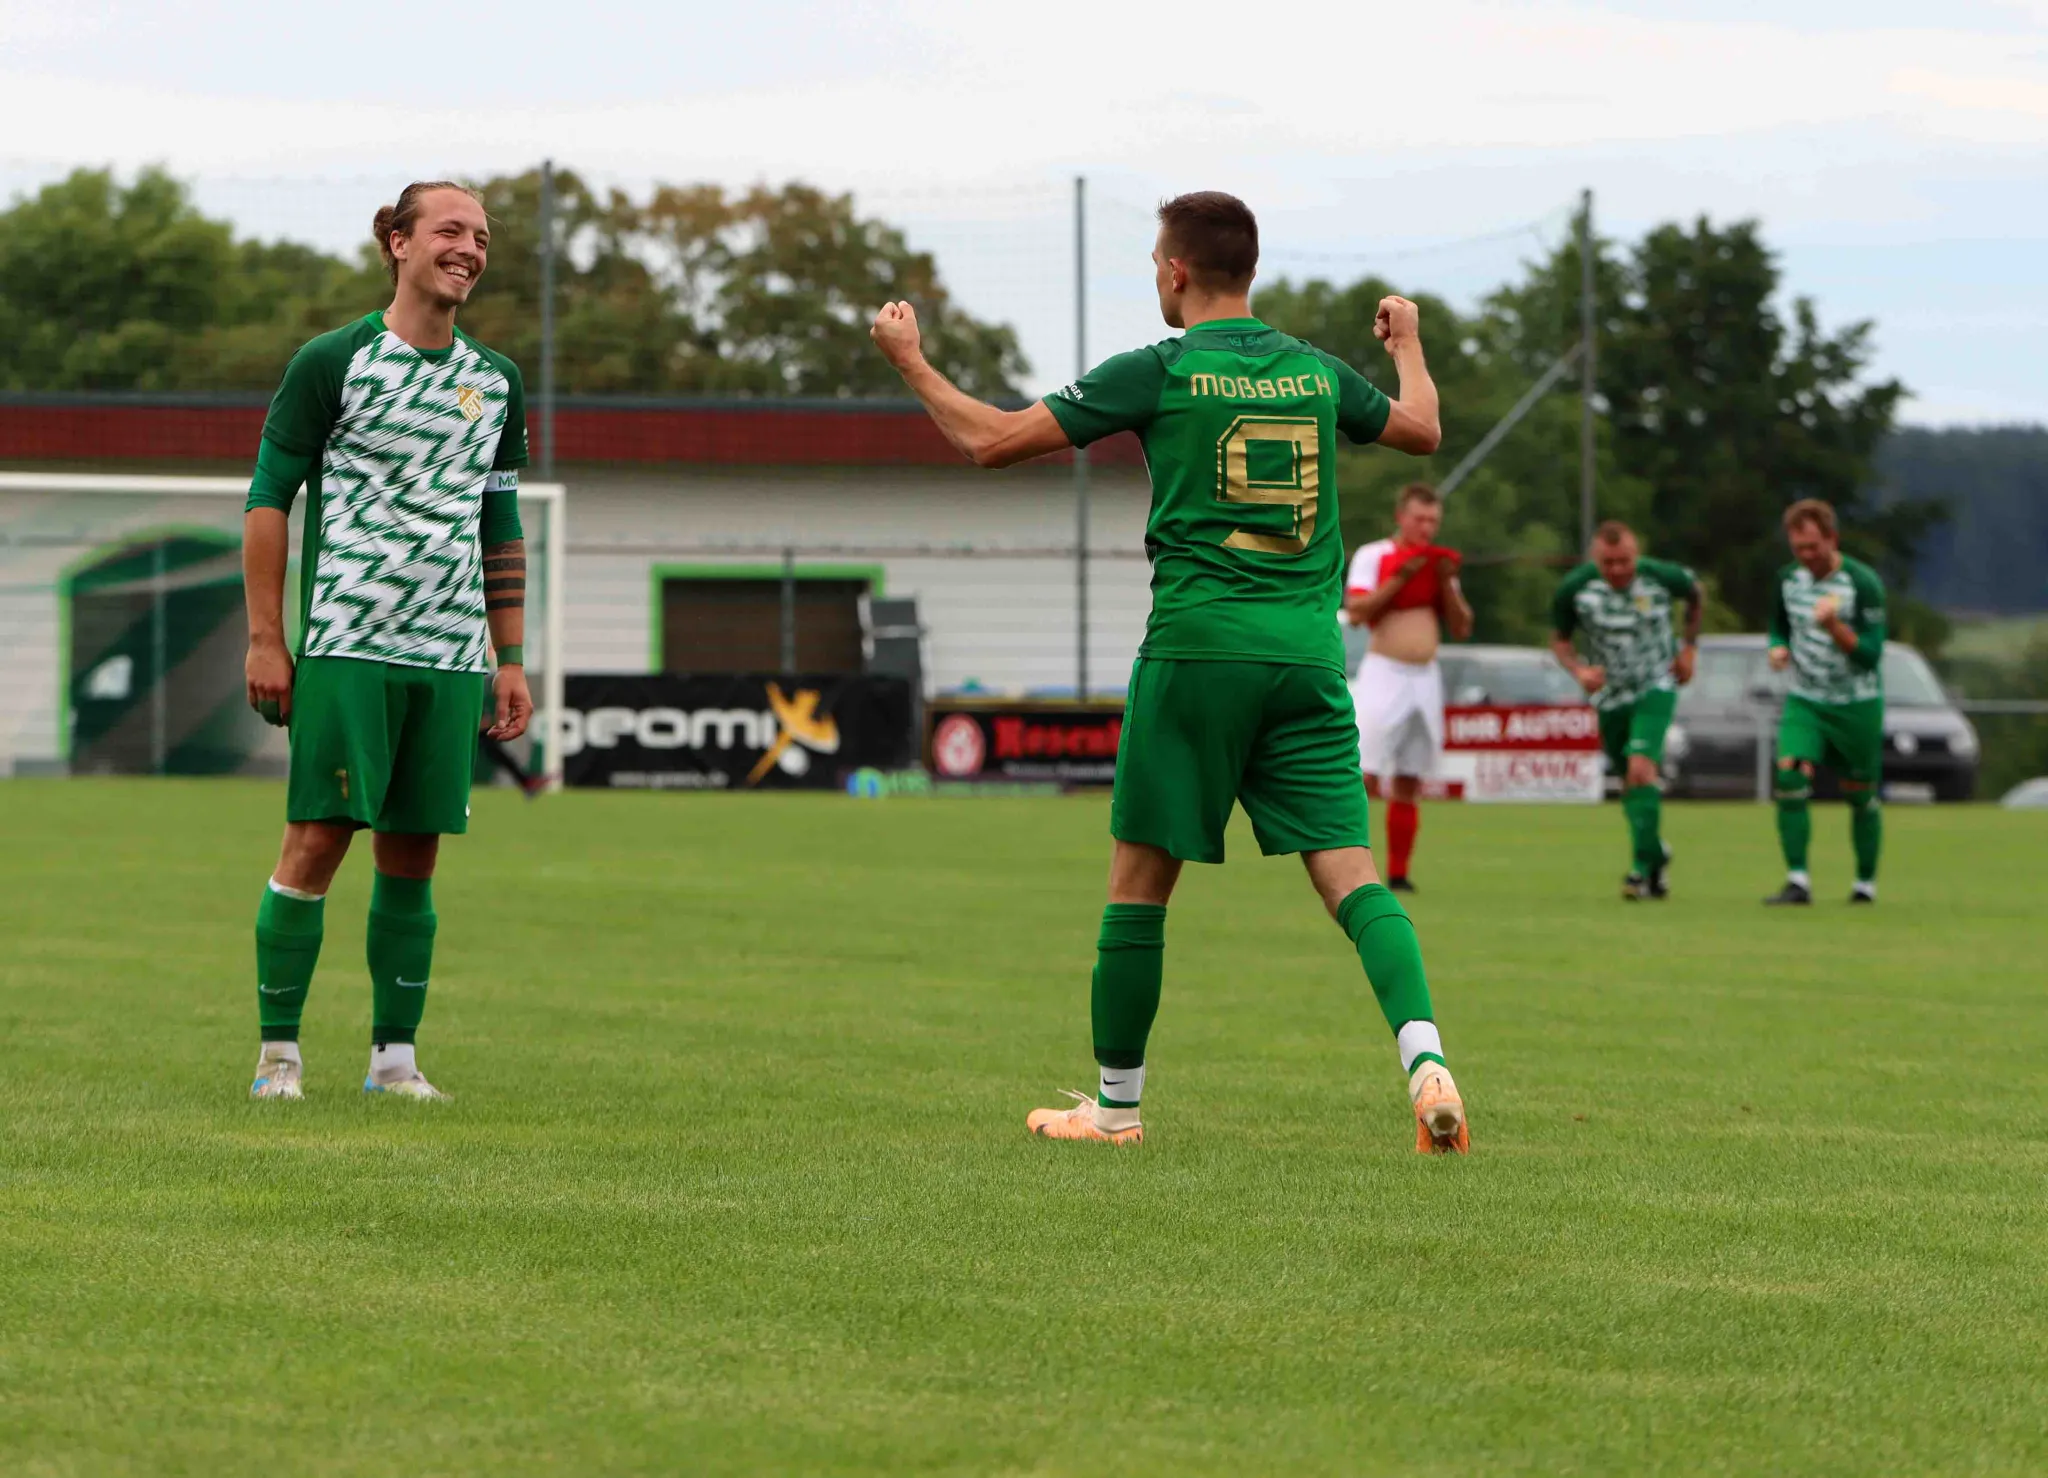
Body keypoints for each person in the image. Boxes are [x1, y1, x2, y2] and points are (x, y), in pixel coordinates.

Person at [871, 191, 1469, 1153]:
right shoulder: (1316, 372)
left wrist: (911, 361)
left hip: (1197, 654)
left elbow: (990, 440)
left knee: (1139, 888)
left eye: (1157, 260)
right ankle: (1426, 1060)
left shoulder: (1160, 370)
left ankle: (1116, 1109)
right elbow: (1422, 431)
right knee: (1354, 881)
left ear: (1179, 271)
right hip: (1306, 660)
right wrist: (1407, 344)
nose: (1157, 273)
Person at [243, 181, 532, 1100]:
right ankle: (278, 1060)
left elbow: (500, 523)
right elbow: (268, 499)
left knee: (414, 856)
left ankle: (394, 1064)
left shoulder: (495, 381)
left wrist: (510, 657)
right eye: (450, 230)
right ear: (397, 241)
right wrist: (266, 639)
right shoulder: (333, 360)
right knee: (316, 842)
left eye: (481, 237)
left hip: (448, 656)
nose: (469, 249)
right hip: (347, 643)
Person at [1549, 522, 1701, 899]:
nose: (1618, 569)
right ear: (1595, 559)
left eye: (1624, 561)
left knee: (1640, 768)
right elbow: (1560, 640)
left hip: (1655, 685)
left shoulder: (1660, 577)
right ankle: (1656, 855)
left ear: (1636, 554)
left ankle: (1639, 871)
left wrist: (1688, 649)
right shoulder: (1574, 588)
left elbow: (1695, 593)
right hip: (1610, 696)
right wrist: (1579, 671)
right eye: (1608, 562)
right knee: (1631, 784)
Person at [1344, 483, 1473, 890]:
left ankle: (1399, 873)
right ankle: (1349, 866)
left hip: (1425, 676)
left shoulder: (1438, 563)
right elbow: (1357, 611)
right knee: (1362, 772)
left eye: (1433, 521)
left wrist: (1446, 583)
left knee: (1410, 777)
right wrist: (1401, 578)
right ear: (1401, 517)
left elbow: (1461, 626)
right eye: (1419, 519)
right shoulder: (1375, 554)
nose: (1426, 528)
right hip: (1385, 670)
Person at [1762, 499, 1887, 906]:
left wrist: (1834, 626)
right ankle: (1797, 880)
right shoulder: (1788, 579)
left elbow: (1870, 654)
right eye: (1798, 547)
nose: (1806, 556)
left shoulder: (1862, 583)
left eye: (1813, 546)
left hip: (1856, 704)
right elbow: (1779, 624)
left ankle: (1864, 884)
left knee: (1859, 793)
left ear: (1832, 539)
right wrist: (1778, 647)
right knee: (1789, 775)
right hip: (1806, 699)